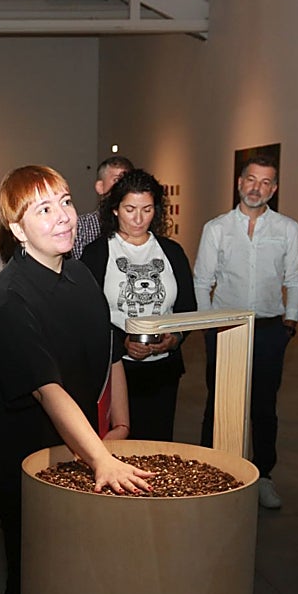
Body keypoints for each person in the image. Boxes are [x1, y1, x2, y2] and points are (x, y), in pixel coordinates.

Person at [0, 164, 153, 594]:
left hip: (79, 451)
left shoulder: (79, 276)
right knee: (32, 584)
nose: (61, 216)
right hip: (27, 464)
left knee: (79, 582)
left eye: (65, 201)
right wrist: (101, 457)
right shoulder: (8, 298)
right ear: (17, 227)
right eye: (42, 209)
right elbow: (47, 388)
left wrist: (118, 424)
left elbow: (108, 351)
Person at [193, 155, 298, 509]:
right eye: (251, 180)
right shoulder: (217, 228)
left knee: (263, 406)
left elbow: (296, 277)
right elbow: (202, 280)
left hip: (270, 328)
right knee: (219, 401)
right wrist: (208, 323)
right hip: (226, 326)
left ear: (273, 188)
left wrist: (290, 319)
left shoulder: (288, 229)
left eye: (266, 182)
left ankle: (264, 476)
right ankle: (210, 469)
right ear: (239, 183)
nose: (257, 188)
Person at [79, 168, 196, 441]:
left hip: (163, 371)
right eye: (130, 208)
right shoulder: (97, 253)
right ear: (115, 209)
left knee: (157, 445)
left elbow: (188, 306)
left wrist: (174, 338)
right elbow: (87, 313)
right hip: (116, 370)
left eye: (147, 209)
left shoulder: (172, 252)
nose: (138, 218)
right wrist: (122, 343)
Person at [72, 154, 134, 257]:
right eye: (117, 180)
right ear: (100, 187)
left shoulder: (139, 226)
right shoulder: (81, 228)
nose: (124, 188)